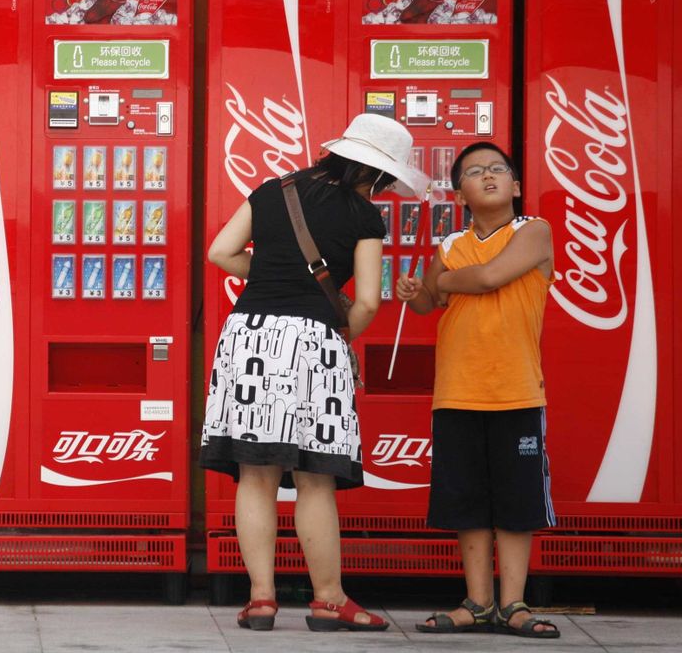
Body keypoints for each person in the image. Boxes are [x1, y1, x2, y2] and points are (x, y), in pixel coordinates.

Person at [200, 113, 429, 632]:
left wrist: (269, 277)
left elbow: (220, 252)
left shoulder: (272, 190)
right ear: (379, 173)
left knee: (256, 475)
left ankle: (261, 600)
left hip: (249, 335)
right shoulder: (364, 215)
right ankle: (328, 600)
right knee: (315, 478)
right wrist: (340, 330)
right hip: (313, 343)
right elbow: (367, 301)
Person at [395, 142, 559, 639]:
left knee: (516, 503)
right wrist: (416, 292)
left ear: (516, 185)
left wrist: (444, 283)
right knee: (466, 502)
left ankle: (514, 605)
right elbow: (428, 301)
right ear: (460, 195)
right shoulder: (449, 246)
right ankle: (478, 603)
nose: (488, 176)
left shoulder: (534, 231)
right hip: (456, 391)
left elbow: (488, 278)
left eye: (497, 169)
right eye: (473, 172)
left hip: (516, 390)